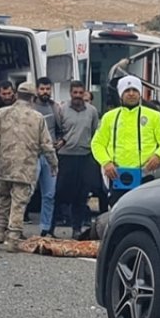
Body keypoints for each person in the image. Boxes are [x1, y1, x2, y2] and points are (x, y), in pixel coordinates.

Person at [0, 82, 58, 247]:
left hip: (5, 163)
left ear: (16, 95)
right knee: (19, 202)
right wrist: (53, 164)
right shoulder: (38, 118)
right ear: (33, 98)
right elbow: (47, 145)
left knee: (2, 197)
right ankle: (13, 237)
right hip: (26, 166)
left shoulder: (2, 114)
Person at [90, 76, 160, 207]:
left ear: (140, 93)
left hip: (145, 176)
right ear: (120, 94)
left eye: (135, 90)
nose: (131, 94)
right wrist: (105, 162)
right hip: (117, 176)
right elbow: (97, 143)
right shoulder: (109, 117)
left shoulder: (153, 116)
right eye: (127, 90)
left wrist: (158, 156)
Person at [56, 80, 101, 235]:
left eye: (80, 93)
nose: (77, 96)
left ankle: (77, 229)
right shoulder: (61, 109)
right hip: (65, 156)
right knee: (59, 193)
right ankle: (50, 229)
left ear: (84, 93)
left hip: (84, 157)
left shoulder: (92, 111)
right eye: (74, 93)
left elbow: (96, 133)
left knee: (81, 195)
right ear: (70, 93)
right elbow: (57, 131)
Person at [31, 77, 65, 236]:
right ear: (37, 89)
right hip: (31, 155)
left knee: (50, 194)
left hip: (50, 155)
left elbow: (61, 129)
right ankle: (15, 227)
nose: (45, 92)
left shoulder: (55, 108)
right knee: (26, 192)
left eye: (48, 89)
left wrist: (61, 141)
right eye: (42, 89)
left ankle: (45, 228)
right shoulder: (30, 107)